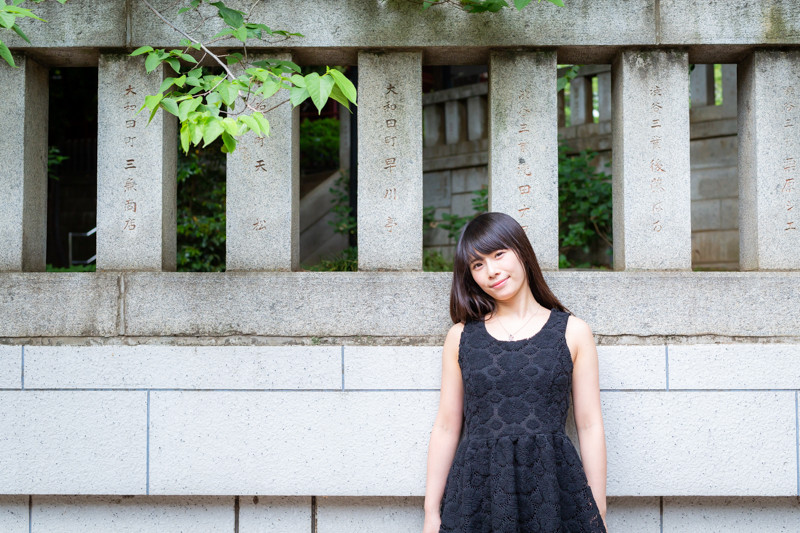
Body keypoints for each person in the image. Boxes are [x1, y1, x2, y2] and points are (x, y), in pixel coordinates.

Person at [423, 212, 608, 533]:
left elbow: (590, 425)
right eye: (477, 264)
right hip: (477, 490)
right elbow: (446, 426)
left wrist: (597, 509)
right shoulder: (461, 336)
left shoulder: (574, 331)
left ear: (521, 251)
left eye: (498, 254)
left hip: (551, 486)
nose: (491, 271)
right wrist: (430, 512)